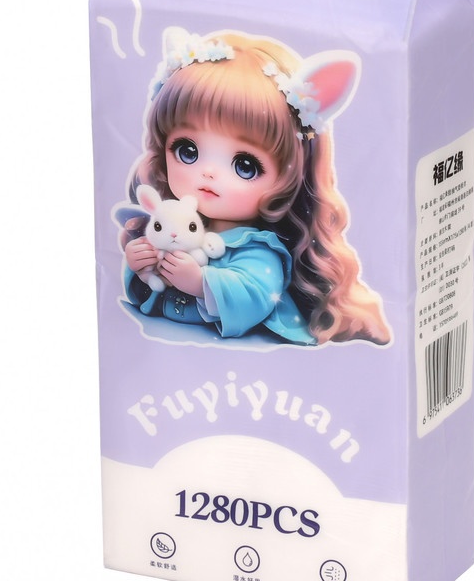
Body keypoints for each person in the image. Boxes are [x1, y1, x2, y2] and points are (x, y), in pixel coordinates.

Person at [120, 28, 390, 346]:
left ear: (288, 178)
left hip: (236, 358)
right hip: (160, 345)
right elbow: (145, 290)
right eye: (187, 151)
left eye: (244, 165)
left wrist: (200, 282)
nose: (208, 173)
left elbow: (256, 295)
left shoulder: (258, 249)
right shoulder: (170, 226)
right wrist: (140, 266)